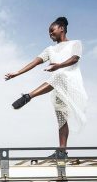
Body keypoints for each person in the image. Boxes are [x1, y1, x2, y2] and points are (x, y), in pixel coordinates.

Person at [5, 17, 87, 154]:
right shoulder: (50, 50)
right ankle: (62, 151)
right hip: (55, 86)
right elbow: (35, 62)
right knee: (61, 119)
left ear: (61, 28)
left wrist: (58, 66)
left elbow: (75, 59)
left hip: (71, 83)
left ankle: (28, 96)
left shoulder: (75, 43)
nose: (50, 34)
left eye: (52, 30)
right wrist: (17, 73)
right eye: (48, 32)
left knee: (60, 74)